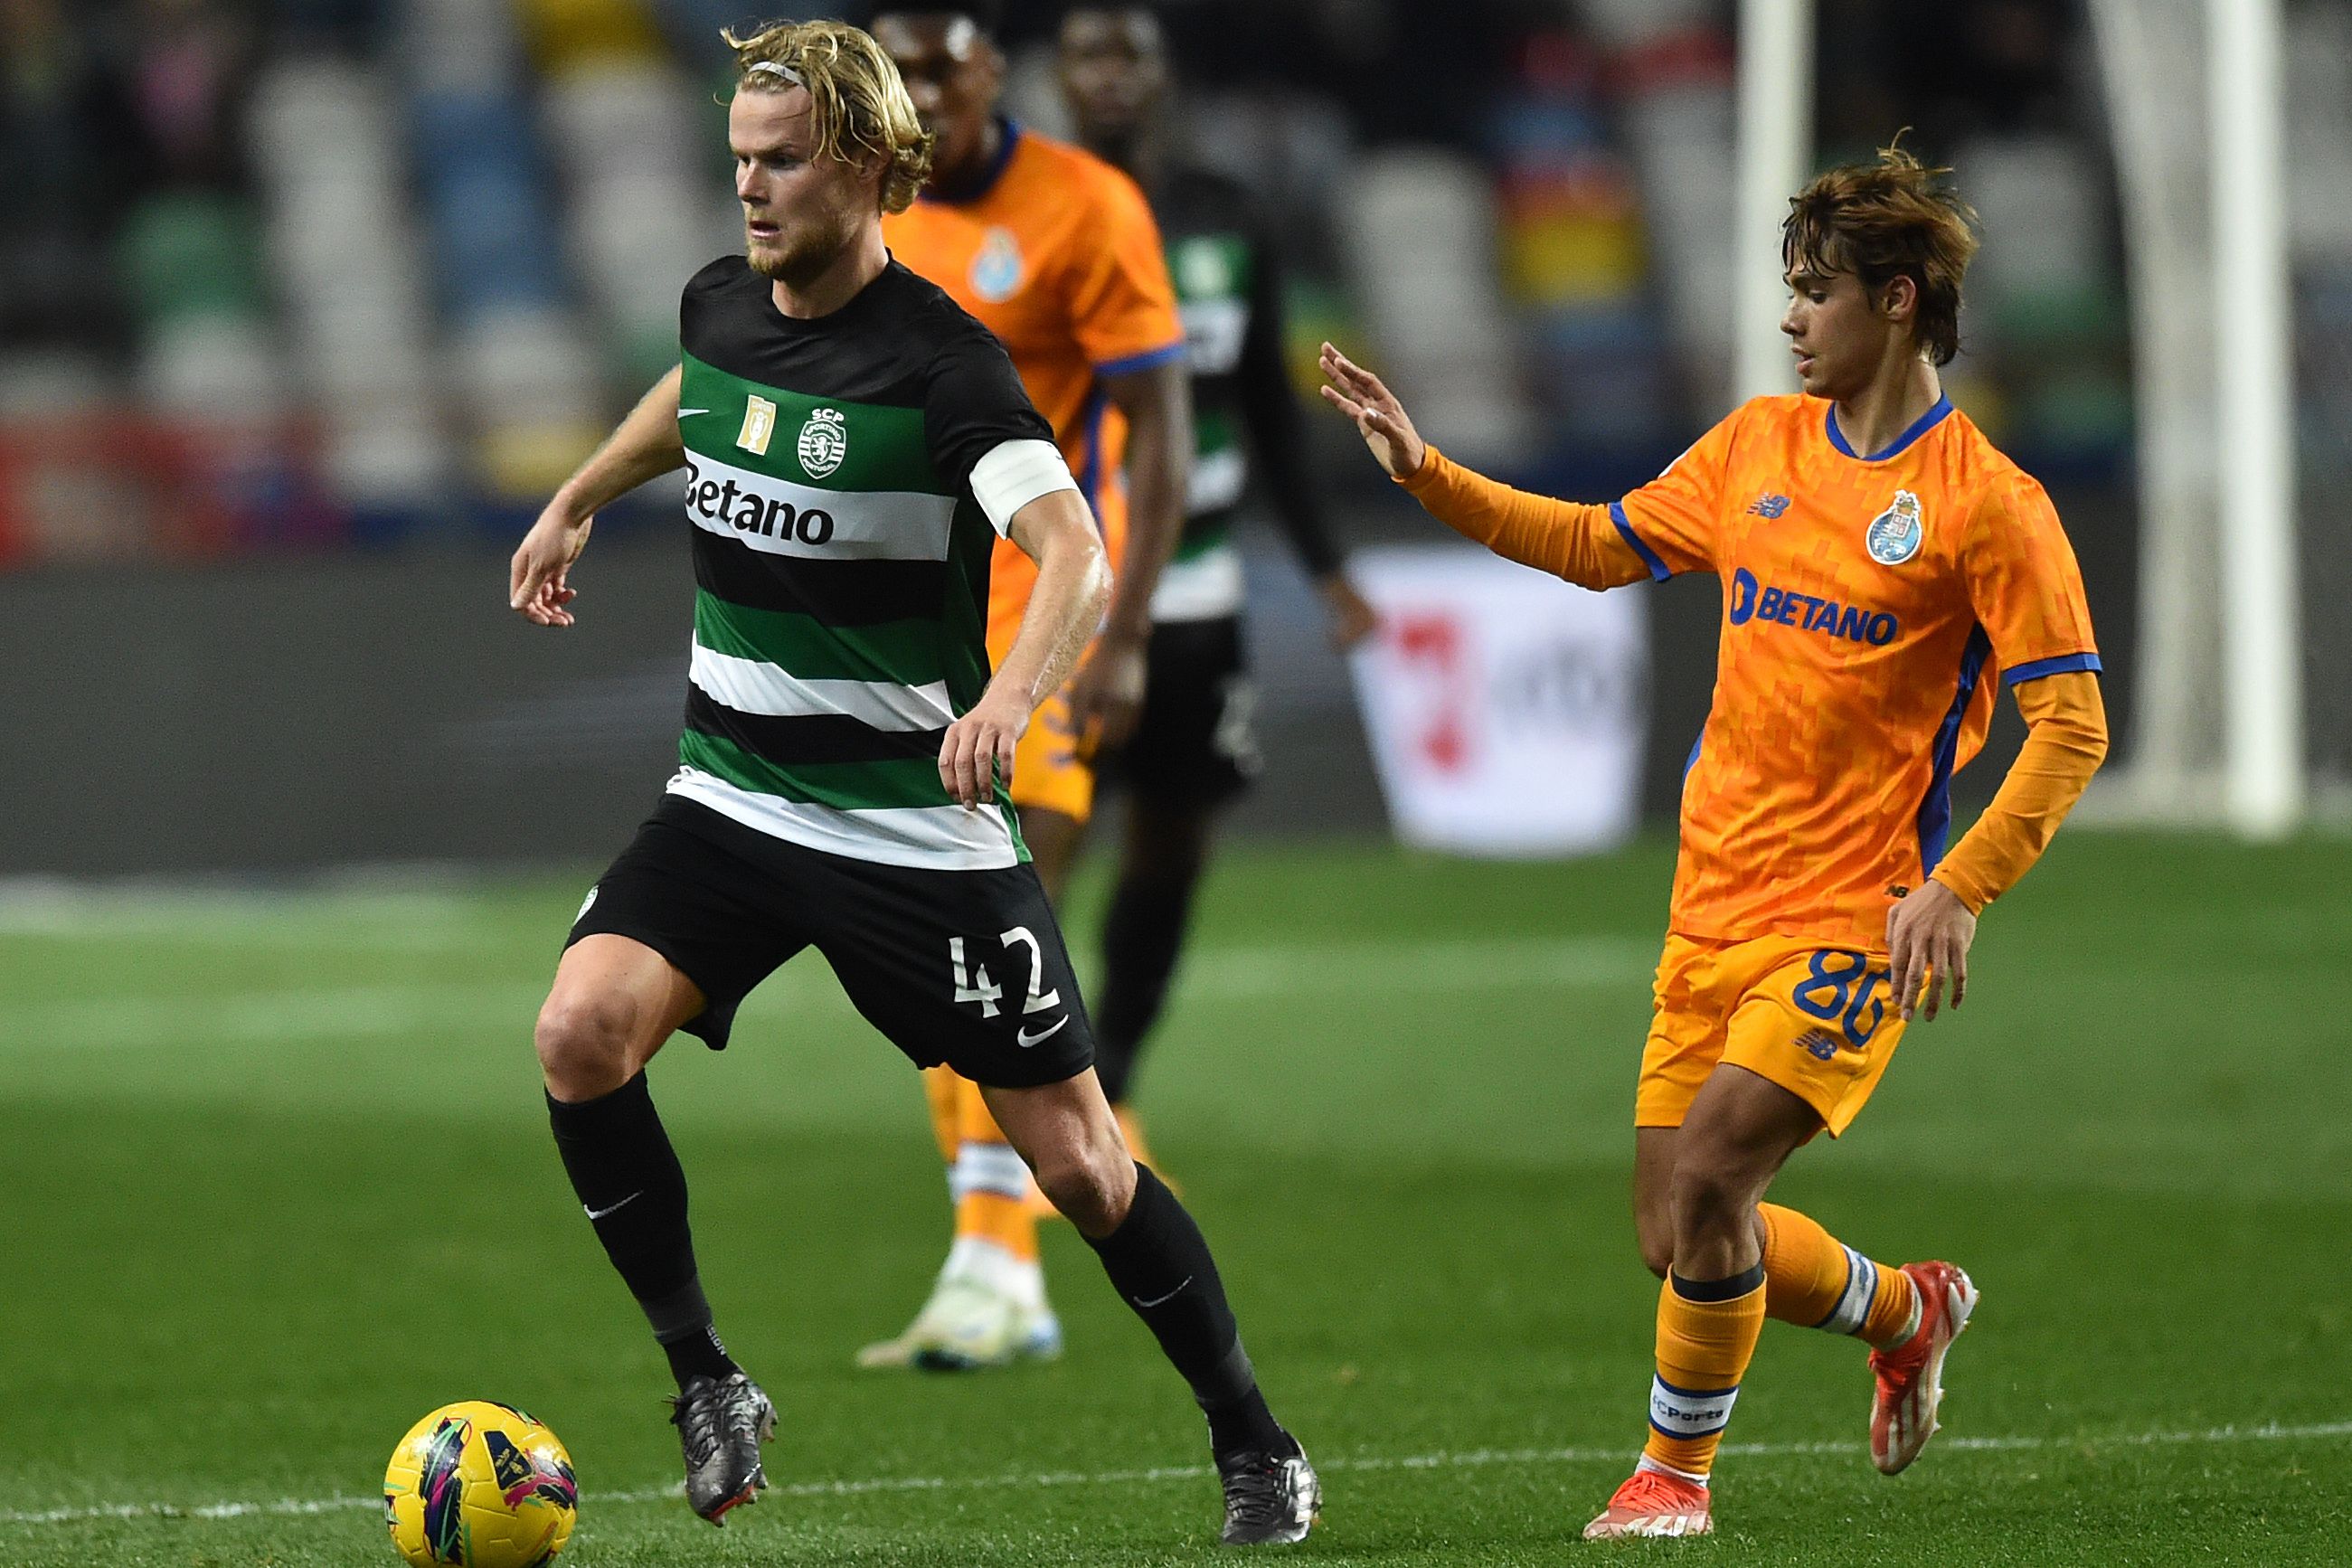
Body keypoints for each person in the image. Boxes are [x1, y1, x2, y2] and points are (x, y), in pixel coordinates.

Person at [507, 19, 1318, 1544]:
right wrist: (576, 497)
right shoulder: (720, 306)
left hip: (907, 826)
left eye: (783, 161)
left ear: (871, 167)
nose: (750, 190)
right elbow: (690, 401)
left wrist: (1017, 693)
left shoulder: (945, 365)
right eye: (738, 159)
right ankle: (707, 1379)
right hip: (733, 793)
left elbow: (1069, 542)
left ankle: (1251, 1433)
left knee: (1078, 1157)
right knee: (578, 1031)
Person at [1319, 142, 2107, 1540]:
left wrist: (1958, 884)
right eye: (1788, 292)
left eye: (1816, 293)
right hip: (1708, 906)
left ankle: (1670, 1477)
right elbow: (1593, 541)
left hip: (1847, 916)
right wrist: (1428, 472)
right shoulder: (1754, 448)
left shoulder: (1992, 504)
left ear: (1901, 301)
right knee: (1677, 1234)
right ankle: (1904, 1306)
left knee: (1711, 1179)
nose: (1792, 318)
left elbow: (2071, 724)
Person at [857, 1, 1195, 1373]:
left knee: (1002, 931)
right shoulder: (859, 211)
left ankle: (992, 1266)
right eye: (899, 77)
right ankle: (1117, 1204)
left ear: (994, 69)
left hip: (1033, 637)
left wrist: (1124, 632)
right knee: (940, 964)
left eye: (942, 69)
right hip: (891, 647)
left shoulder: (1084, 206)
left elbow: (1161, 434)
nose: (924, 97)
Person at [1057, 3, 1378, 1162]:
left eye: (1127, 54)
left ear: (1160, 76)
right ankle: (1034, 1097)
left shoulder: (1226, 221)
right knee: (1046, 836)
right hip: (1062, 602)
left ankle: (1117, 1071)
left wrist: (1329, 567)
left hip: (1201, 602)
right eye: (1087, 53)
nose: (1107, 74)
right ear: (1057, 75)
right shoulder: (1030, 217)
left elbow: (1267, 418)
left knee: (1173, 843)